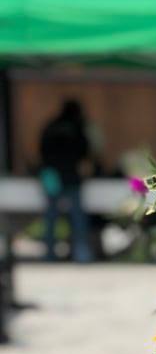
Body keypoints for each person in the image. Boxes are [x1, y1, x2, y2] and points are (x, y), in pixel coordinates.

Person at [39, 100, 91, 262]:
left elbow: (42, 149)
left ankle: (49, 253)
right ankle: (81, 253)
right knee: (77, 217)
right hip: (71, 176)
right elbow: (85, 150)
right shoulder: (77, 127)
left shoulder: (52, 126)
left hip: (52, 176)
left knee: (51, 216)